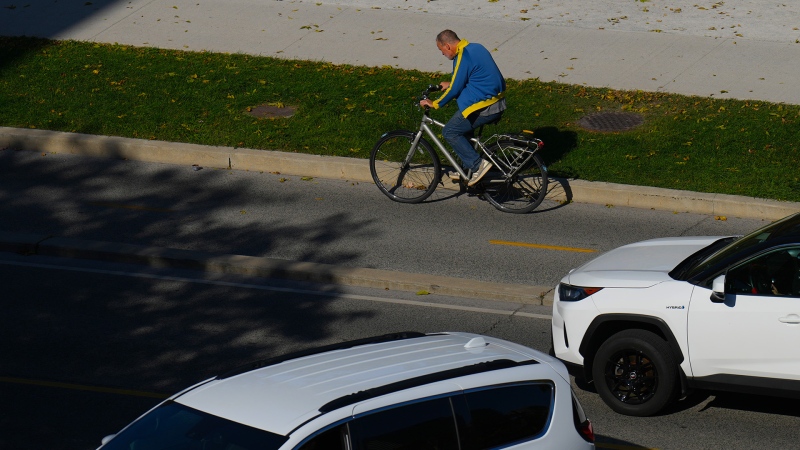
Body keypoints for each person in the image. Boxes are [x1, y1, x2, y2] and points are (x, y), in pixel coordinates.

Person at [420, 29, 507, 186]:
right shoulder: (475, 47)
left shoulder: (462, 56)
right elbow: (469, 76)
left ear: (447, 46)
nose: (442, 54)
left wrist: (435, 103)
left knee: (450, 131)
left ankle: (477, 165)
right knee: (463, 130)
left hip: (485, 106)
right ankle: (466, 169)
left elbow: (455, 90)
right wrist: (448, 84)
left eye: (441, 50)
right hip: (497, 100)